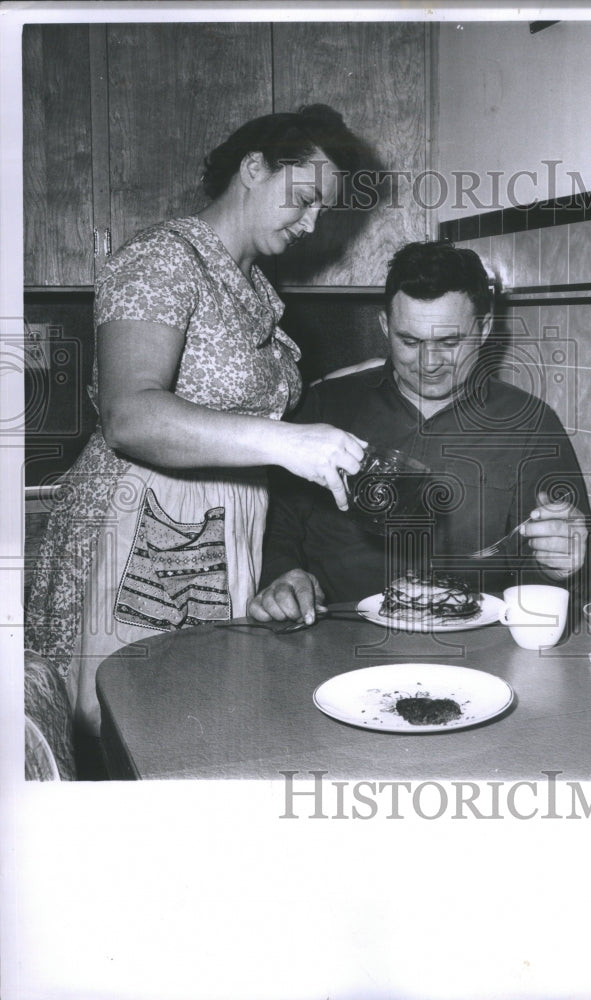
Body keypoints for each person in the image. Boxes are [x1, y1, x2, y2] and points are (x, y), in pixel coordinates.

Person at [26, 105, 369, 738]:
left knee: (203, 728)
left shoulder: (254, 288)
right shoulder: (164, 259)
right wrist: (286, 441)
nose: (314, 222)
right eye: (305, 198)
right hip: (141, 533)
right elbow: (129, 415)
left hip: (223, 531)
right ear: (254, 167)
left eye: (326, 209)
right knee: (134, 734)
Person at [249, 240, 591, 626]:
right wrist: (283, 576)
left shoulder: (531, 425)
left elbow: (560, 586)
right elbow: (278, 525)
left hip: (473, 654)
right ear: (385, 326)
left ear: (483, 328)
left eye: (449, 342)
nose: (429, 364)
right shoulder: (325, 407)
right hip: (333, 638)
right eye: (410, 342)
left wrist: (561, 566)